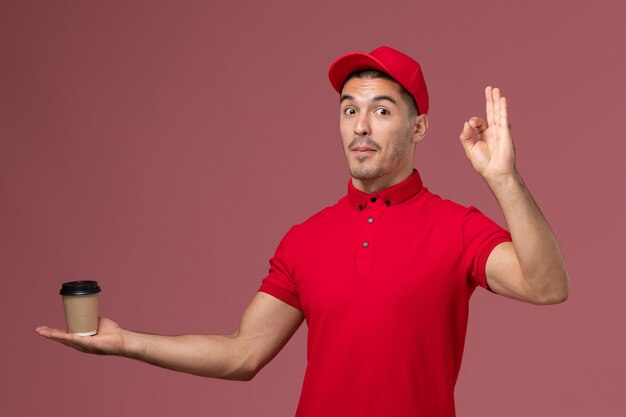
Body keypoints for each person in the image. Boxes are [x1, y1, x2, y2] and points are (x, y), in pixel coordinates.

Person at [36, 46, 569, 417]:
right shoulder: (305, 239)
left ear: (419, 127)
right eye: (350, 110)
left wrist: (504, 180)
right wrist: (127, 341)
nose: (361, 126)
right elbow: (243, 354)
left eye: (382, 110)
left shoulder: (457, 227)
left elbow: (546, 286)